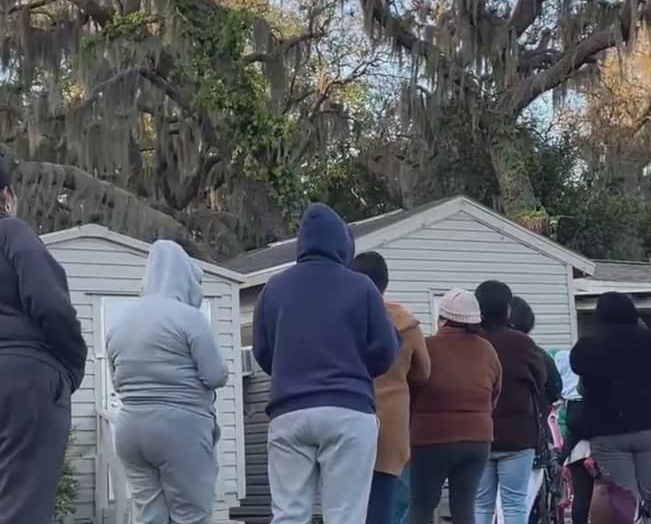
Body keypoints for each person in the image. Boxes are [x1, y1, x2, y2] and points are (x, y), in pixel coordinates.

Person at [253, 203, 400, 524]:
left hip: (289, 411)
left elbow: (263, 352)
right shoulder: (362, 286)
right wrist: (358, 370)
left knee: (289, 515)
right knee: (345, 515)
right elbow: (386, 351)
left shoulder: (273, 289)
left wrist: (290, 372)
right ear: (343, 244)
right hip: (348, 409)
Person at [106, 240, 227, 524]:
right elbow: (214, 375)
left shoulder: (120, 323)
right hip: (180, 427)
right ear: (184, 278)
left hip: (130, 429)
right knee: (191, 515)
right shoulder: (189, 318)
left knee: (150, 516)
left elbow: (117, 383)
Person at [0, 161, 87, 524]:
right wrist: (72, 366)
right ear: (7, 195)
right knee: (24, 508)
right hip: (24, 382)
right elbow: (50, 303)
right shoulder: (11, 232)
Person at [571, 292, 651, 524]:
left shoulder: (588, 344)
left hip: (607, 430)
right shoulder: (650, 341)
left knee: (622, 494)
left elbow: (581, 389)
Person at [410, 289, 501, 524]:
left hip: (431, 439)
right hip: (477, 439)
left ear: (442, 319)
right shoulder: (487, 351)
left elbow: (411, 389)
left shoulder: (427, 347)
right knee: (464, 508)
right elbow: (495, 394)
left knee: (421, 507)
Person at [354, 252, 432, 524]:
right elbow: (423, 371)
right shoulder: (405, 322)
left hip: (350, 417)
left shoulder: (345, 319)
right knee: (387, 506)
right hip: (392, 424)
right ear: (385, 283)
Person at [474, 280, 549, 524]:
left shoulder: (471, 341)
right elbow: (541, 379)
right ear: (507, 309)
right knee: (514, 503)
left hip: (480, 433)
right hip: (519, 435)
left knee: (481, 503)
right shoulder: (522, 343)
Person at [505, 295, 562, 524]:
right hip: (531, 440)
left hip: (486, 441)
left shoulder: (483, 350)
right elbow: (555, 389)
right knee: (521, 506)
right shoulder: (537, 354)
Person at [555, 349, 593, 524]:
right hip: (603, 445)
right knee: (605, 495)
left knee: (581, 496)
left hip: (576, 447)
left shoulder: (566, 399)